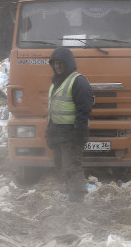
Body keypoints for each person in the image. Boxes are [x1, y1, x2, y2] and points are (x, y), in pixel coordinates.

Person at [46, 47, 93, 203]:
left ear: (68, 63)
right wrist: (49, 132)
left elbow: (83, 111)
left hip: (71, 134)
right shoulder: (55, 83)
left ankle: (77, 204)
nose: (58, 66)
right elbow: (52, 111)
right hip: (58, 134)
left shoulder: (78, 81)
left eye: (61, 63)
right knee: (61, 167)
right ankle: (72, 199)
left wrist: (78, 134)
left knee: (72, 167)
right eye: (55, 63)